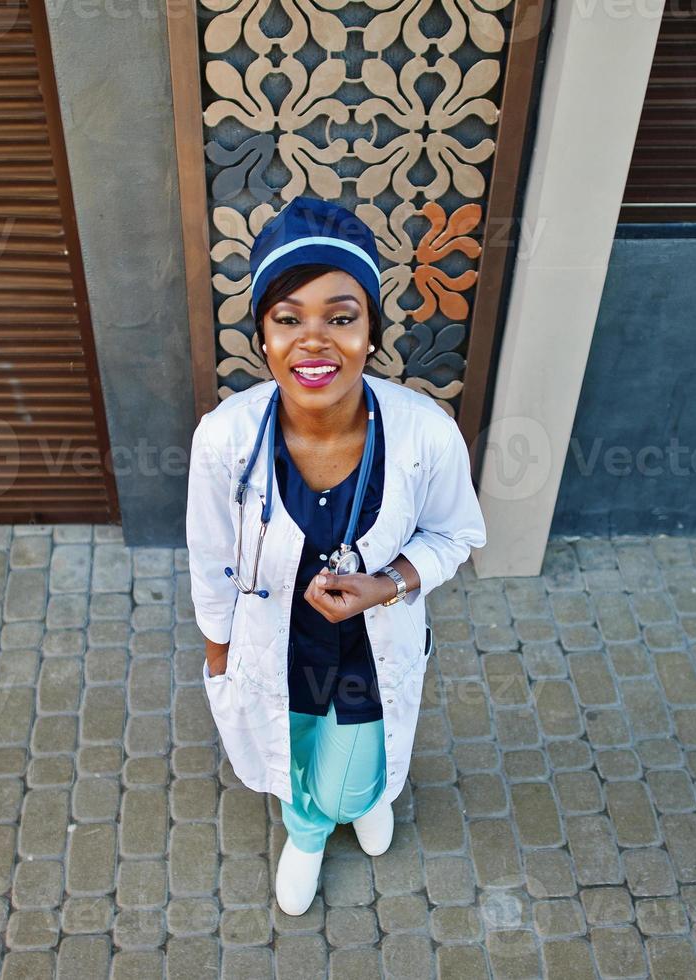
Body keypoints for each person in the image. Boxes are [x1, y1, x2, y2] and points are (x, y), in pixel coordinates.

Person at [185, 195, 487, 916]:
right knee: (290, 749)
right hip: (275, 651)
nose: (313, 340)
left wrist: (388, 585)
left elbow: (455, 537)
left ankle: (349, 807)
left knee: (357, 762)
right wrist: (220, 656)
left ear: (371, 335)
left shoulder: (424, 435)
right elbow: (210, 560)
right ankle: (309, 831)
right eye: (288, 319)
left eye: (341, 317)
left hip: (366, 654)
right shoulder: (225, 438)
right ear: (263, 337)